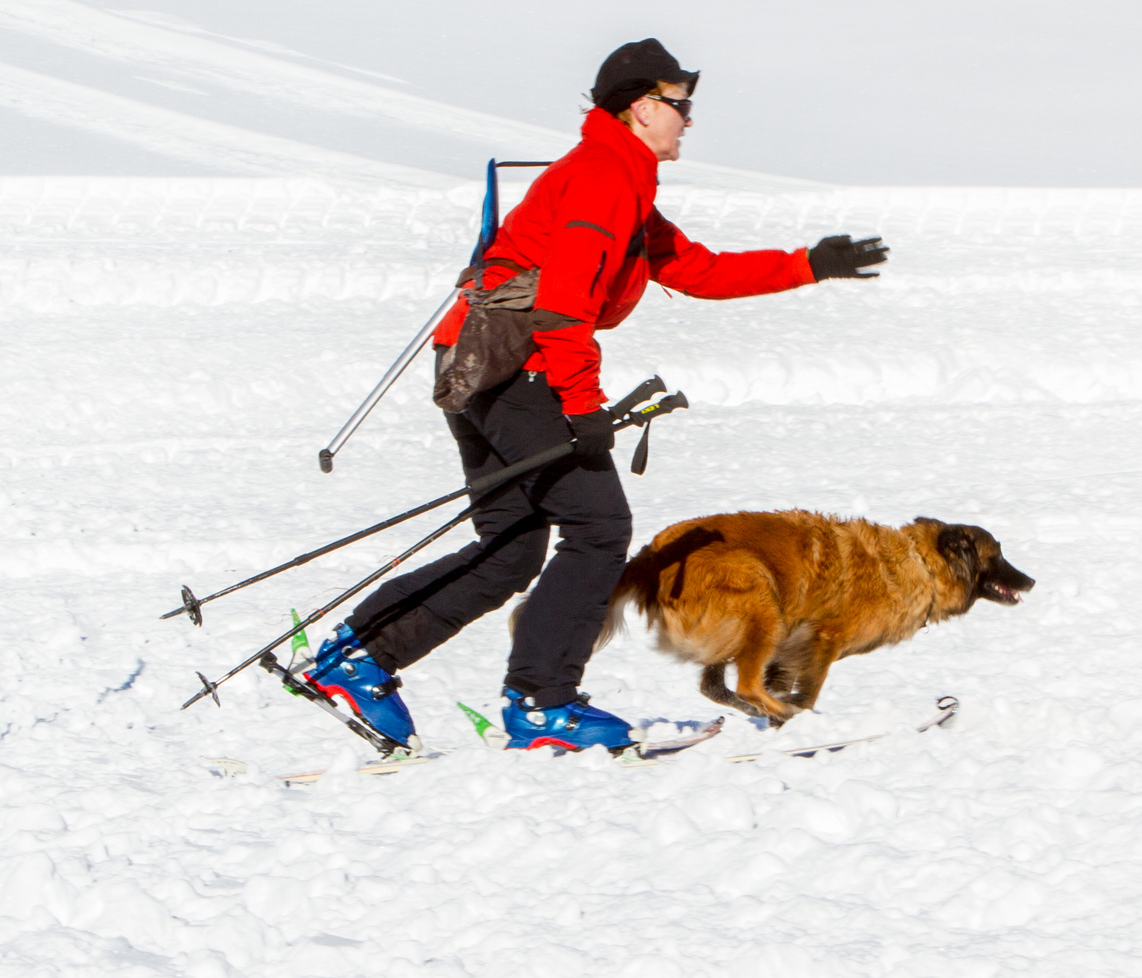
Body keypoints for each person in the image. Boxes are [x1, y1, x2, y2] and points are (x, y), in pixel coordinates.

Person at [301, 39, 889, 753]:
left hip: (480, 361)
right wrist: (578, 402)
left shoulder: (621, 175)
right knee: (598, 528)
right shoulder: (604, 178)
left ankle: (358, 660)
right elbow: (561, 303)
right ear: (642, 108)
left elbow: (692, 268)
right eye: (680, 105)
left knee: (510, 548)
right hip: (516, 366)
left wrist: (806, 265)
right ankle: (543, 705)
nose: (688, 121)